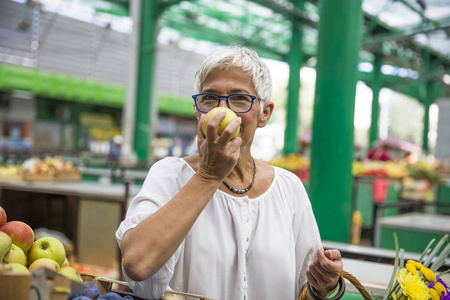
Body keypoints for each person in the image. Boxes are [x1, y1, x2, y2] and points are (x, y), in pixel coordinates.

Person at [116, 46, 343, 300]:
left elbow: (306, 289)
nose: (223, 111)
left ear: (264, 114)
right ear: (197, 109)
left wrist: (322, 285)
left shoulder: (288, 188)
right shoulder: (170, 175)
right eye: (209, 98)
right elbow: (137, 264)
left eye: (239, 99)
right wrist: (208, 175)